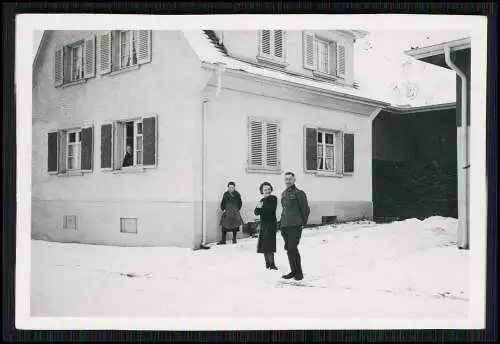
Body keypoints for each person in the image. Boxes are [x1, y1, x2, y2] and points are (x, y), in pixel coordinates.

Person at [280, 172, 310, 281]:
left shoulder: (299, 193)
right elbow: (284, 210)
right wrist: (281, 224)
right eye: (286, 179)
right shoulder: (284, 193)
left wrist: (302, 223)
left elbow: (305, 210)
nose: (288, 181)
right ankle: (293, 271)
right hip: (285, 226)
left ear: (294, 180)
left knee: (293, 248)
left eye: (290, 179)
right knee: (289, 249)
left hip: (295, 226)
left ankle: (299, 272)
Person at [254, 182, 278, 270]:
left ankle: (272, 264)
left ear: (271, 190)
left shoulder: (273, 199)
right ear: (262, 191)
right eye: (265, 190)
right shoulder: (262, 200)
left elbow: (270, 209)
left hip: (271, 224)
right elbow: (256, 213)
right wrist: (258, 206)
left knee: (270, 244)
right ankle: (267, 264)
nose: (267, 191)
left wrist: (261, 207)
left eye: (268, 189)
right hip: (263, 224)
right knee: (264, 244)